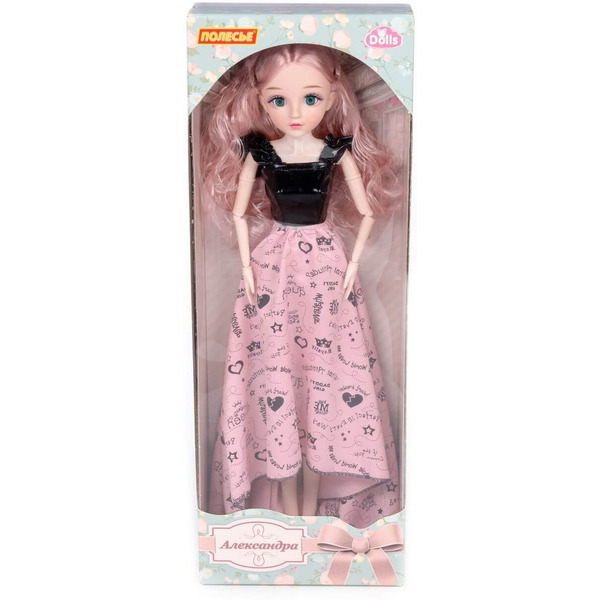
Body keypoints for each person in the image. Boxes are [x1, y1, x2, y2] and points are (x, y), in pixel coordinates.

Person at [199, 44, 401, 528]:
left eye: (310, 98)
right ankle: (286, 514)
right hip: (274, 262)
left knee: (323, 371)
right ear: (259, 101)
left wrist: (352, 263)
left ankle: (314, 516)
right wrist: (247, 267)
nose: (295, 112)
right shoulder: (261, 152)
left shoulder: (335, 150)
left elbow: (367, 212)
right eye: (278, 100)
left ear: (332, 96)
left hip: (326, 264)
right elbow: (238, 213)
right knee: (275, 366)